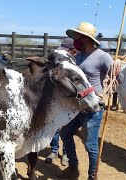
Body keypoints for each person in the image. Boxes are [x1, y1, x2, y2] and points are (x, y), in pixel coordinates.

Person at [59, 22, 122, 180]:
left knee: (90, 145)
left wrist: (117, 68)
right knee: (65, 134)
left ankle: (92, 176)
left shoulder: (102, 56)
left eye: (78, 37)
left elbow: (120, 79)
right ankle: (73, 168)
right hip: (77, 106)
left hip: (93, 107)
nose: (75, 40)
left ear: (86, 39)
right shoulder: (78, 56)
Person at [45, 37, 77, 166]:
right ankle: (54, 150)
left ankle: (65, 153)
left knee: (66, 127)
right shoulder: (56, 61)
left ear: (73, 51)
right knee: (53, 126)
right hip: (55, 99)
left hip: (68, 100)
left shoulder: (75, 65)